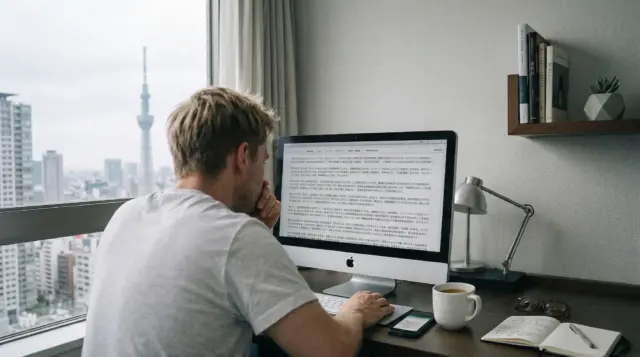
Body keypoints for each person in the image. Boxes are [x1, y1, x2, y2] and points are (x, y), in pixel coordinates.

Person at [82, 87, 394, 357]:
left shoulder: (127, 215)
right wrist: (354, 310)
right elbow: (332, 349)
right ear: (243, 157)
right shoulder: (238, 238)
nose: (264, 178)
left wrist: (254, 229)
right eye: (263, 161)